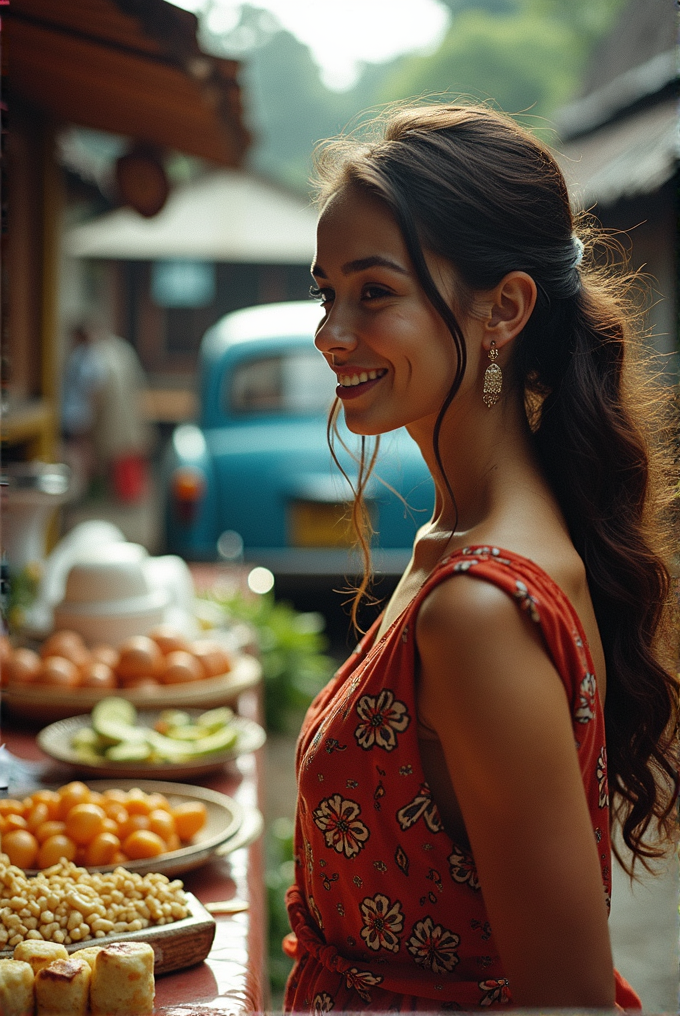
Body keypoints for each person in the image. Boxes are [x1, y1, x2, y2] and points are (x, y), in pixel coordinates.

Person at [282, 104, 679, 1010]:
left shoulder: (479, 609)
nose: (330, 332)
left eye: (373, 292)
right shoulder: (455, 544)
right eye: (324, 293)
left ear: (502, 310)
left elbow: (564, 998)